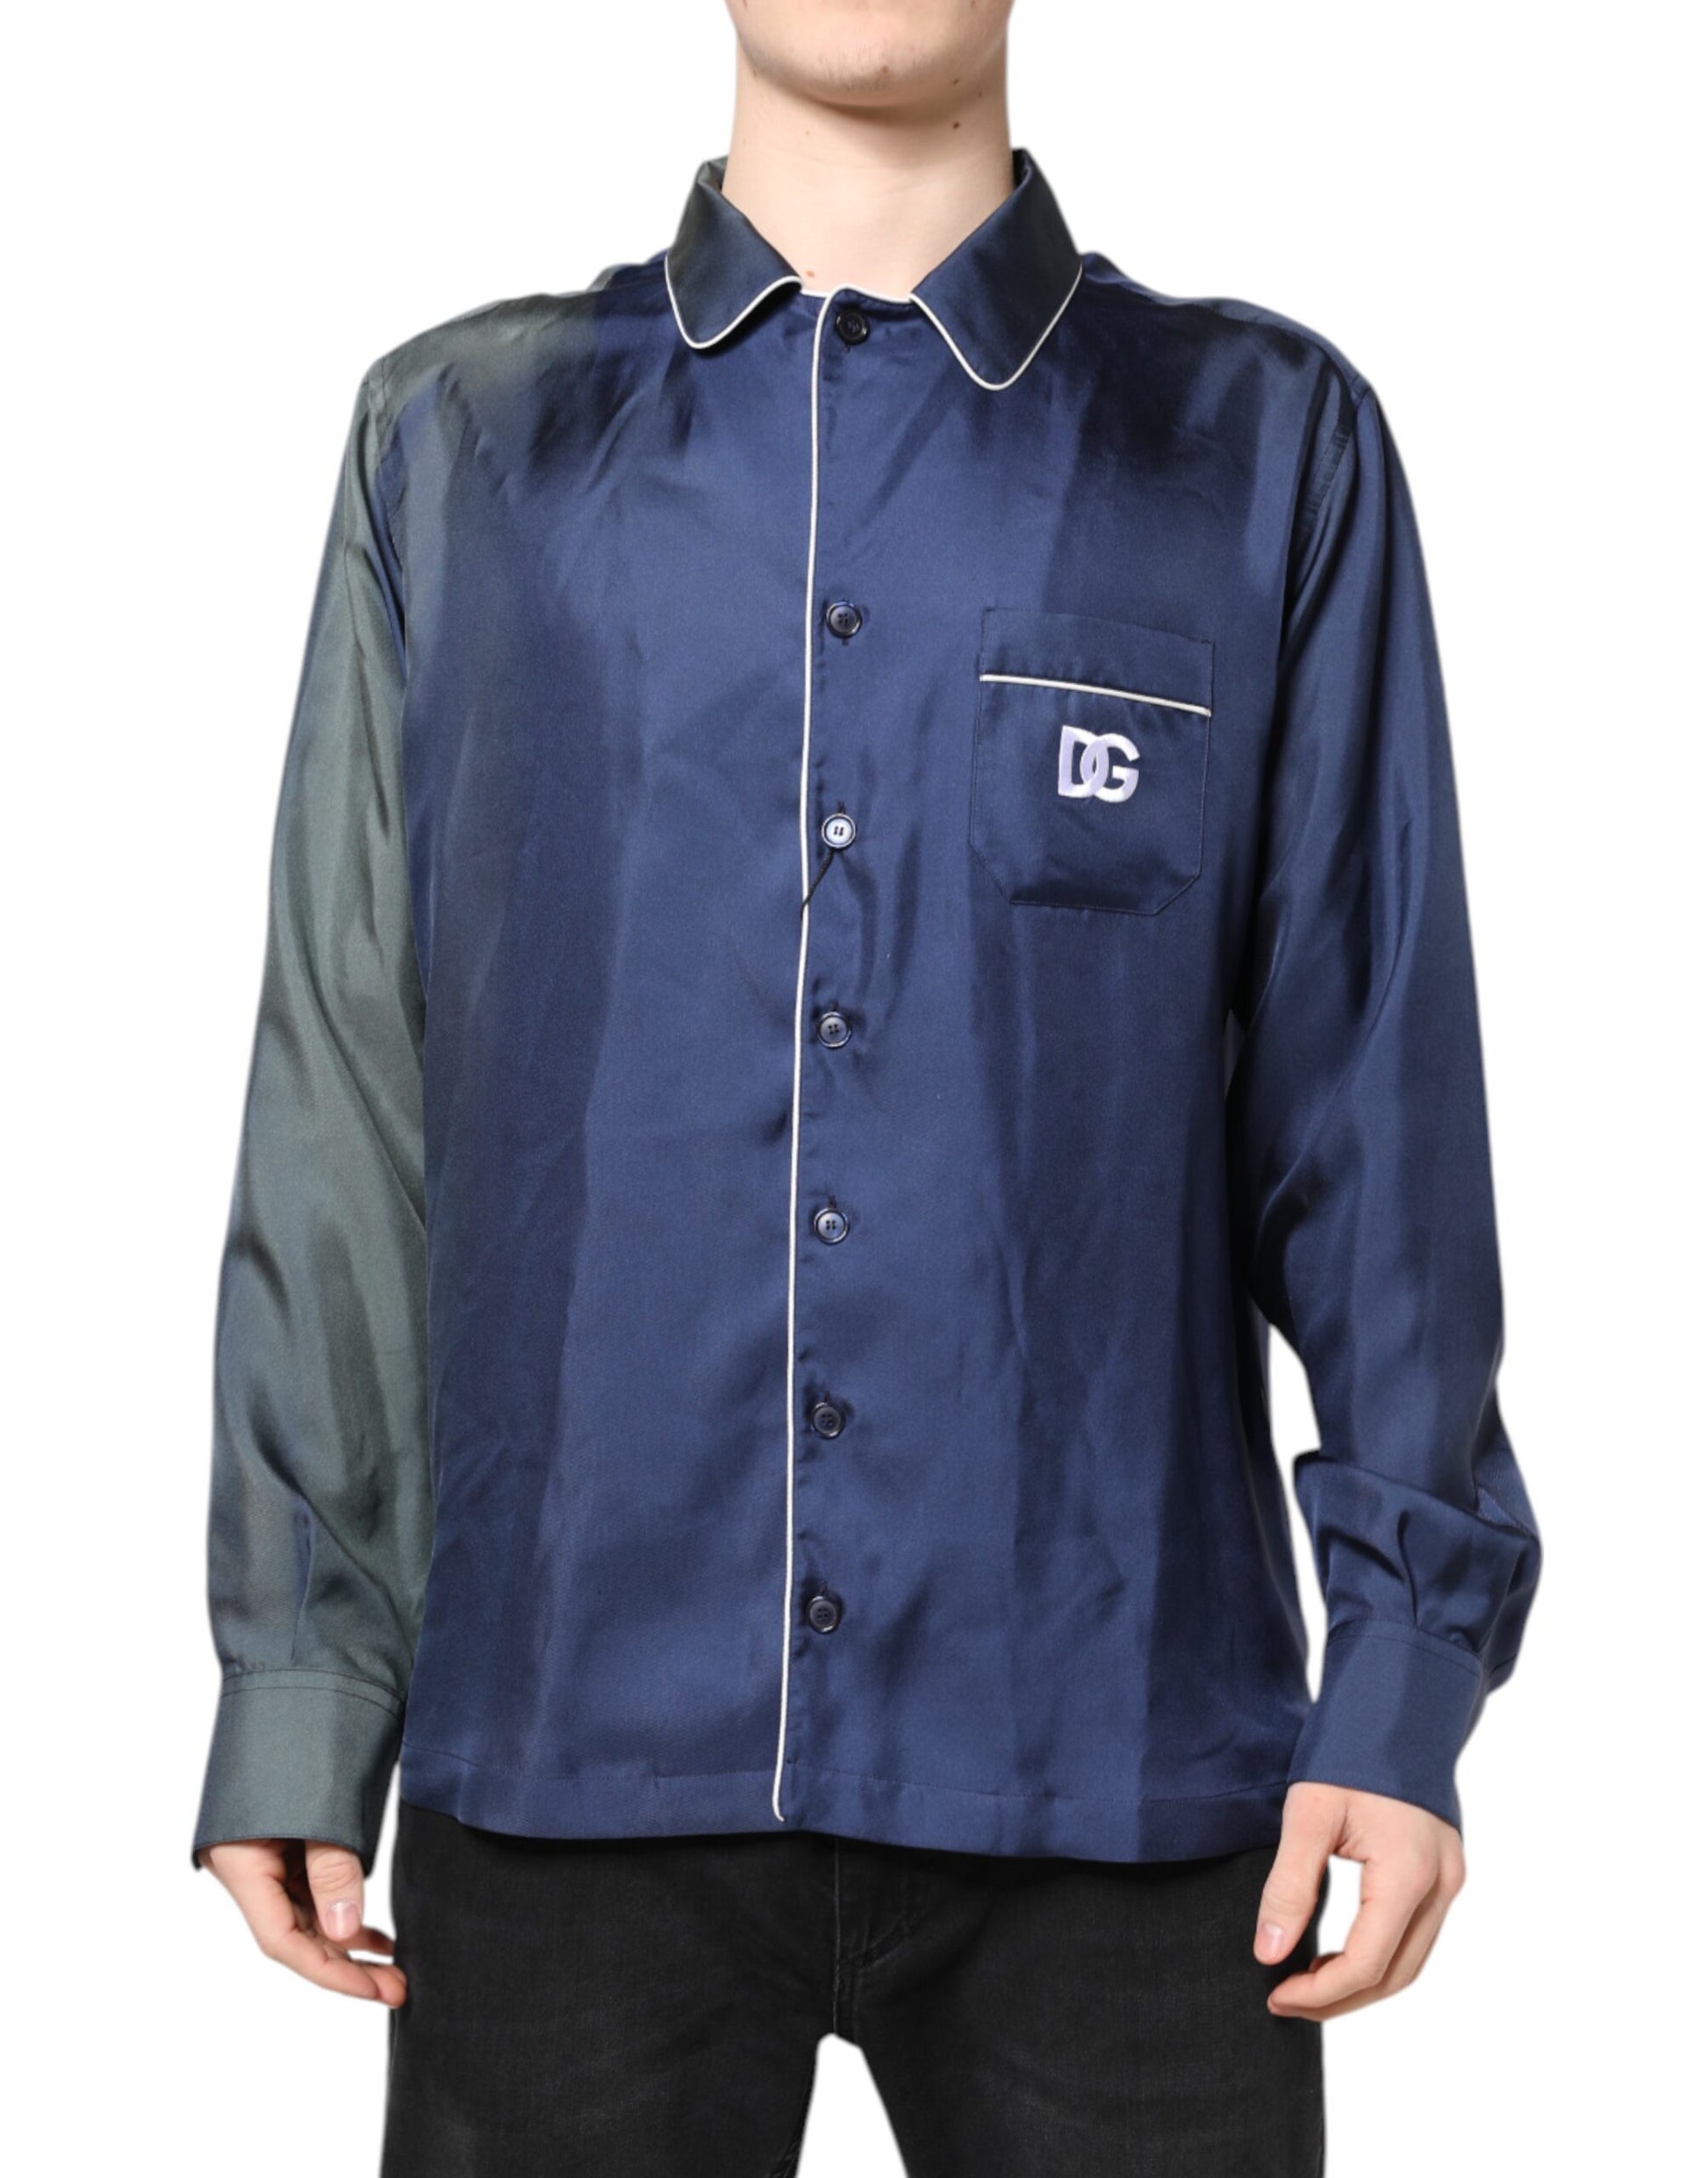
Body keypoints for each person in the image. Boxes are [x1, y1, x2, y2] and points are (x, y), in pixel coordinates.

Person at [190, 2, 1542, 2169]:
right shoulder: (459, 446)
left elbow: (1372, 1101)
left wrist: (1402, 1674)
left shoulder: (1256, 443)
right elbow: (352, 1095)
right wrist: (303, 1673)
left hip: (1116, 1765)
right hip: (570, 1747)